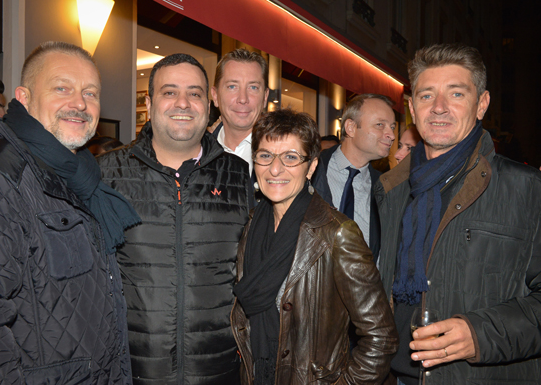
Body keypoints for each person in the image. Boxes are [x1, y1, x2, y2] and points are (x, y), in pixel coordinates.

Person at [0, 41, 140, 384]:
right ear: (24, 98)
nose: (79, 103)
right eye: (62, 88)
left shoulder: (81, 176)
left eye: (90, 93)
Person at [375, 43, 541, 385]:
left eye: (456, 94)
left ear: (481, 104)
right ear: (411, 108)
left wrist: (479, 333)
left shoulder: (527, 189)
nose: (438, 108)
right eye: (426, 96)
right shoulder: (390, 189)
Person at [98, 53, 251, 384]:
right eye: (170, 92)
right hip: (132, 370)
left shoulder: (240, 176)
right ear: (150, 102)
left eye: (194, 93)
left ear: (208, 104)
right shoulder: (106, 174)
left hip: (220, 369)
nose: (183, 103)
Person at [231, 108, 398, 385]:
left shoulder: (337, 233)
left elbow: (381, 336)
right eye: (265, 155)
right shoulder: (252, 225)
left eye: (290, 157)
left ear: (311, 167)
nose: (275, 168)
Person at [312, 94, 396, 262]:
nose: (391, 135)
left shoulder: (387, 188)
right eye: (380, 125)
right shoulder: (309, 170)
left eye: (392, 127)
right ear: (350, 127)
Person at [210, 48, 269, 175]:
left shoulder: (286, 156)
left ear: (265, 97)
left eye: (253, 87)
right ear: (215, 96)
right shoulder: (195, 152)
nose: (243, 99)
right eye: (232, 87)